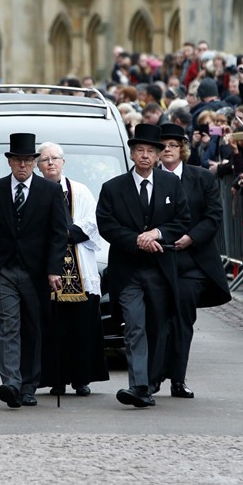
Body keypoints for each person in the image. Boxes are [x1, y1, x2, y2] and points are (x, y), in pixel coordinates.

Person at [96, 123, 190, 408]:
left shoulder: (171, 184)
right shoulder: (113, 188)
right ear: (132, 154)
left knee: (157, 327)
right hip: (128, 270)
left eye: (151, 151)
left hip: (161, 269)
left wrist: (158, 233)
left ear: (159, 155)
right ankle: (137, 385)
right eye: (140, 150)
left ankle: (149, 383)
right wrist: (136, 240)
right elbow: (106, 224)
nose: (145, 155)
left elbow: (182, 220)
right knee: (134, 325)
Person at [0, 133, 68, 408]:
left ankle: (29, 385)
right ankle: (11, 384)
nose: (23, 165)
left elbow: (58, 234)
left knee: (32, 328)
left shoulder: (49, 191)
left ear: (34, 162)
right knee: (7, 326)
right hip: (2, 270)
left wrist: (54, 270)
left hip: (36, 272)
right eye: (18, 160)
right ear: (10, 162)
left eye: (27, 160)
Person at [155, 124, 230, 398]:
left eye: (172, 146)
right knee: (158, 321)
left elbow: (213, 216)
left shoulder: (201, 178)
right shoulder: (149, 178)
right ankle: (153, 377)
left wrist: (190, 238)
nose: (167, 151)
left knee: (181, 321)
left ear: (182, 149)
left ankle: (177, 378)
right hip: (158, 259)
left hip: (192, 263)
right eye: (162, 146)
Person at [35, 142, 108, 397]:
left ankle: (81, 378)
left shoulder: (80, 191)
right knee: (53, 327)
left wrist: (64, 234)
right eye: (45, 159)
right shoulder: (35, 191)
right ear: (38, 164)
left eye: (55, 158)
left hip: (78, 261)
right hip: (47, 267)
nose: (51, 163)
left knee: (80, 327)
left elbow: (92, 221)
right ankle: (56, 379)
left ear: (63, 162)